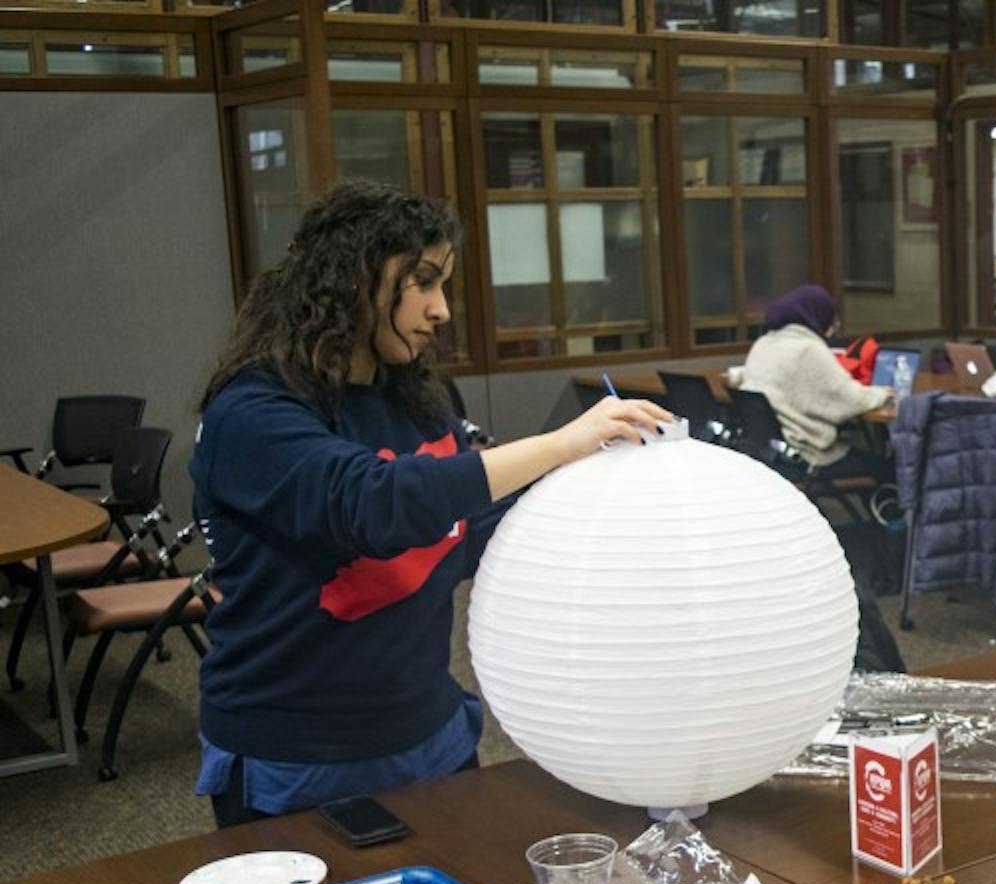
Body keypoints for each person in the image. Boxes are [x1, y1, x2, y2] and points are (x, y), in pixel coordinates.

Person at [191, 181, 671, 827]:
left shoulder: (419, 400)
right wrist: (558, 446)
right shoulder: (252, 415)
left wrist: (592, 490)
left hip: (431, 731)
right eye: (421, 281)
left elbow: (460, 534)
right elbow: (372, 505)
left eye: (443, 284)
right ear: (350, 278)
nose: (441, 310)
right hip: (298, 754)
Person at [742, 283, 892, 481]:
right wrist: (882, 393)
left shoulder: (763, 344)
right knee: (886, 468)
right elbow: (851, 400)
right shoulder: (809, 350)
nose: (834, 326)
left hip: (771, 453)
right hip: (806, 457)